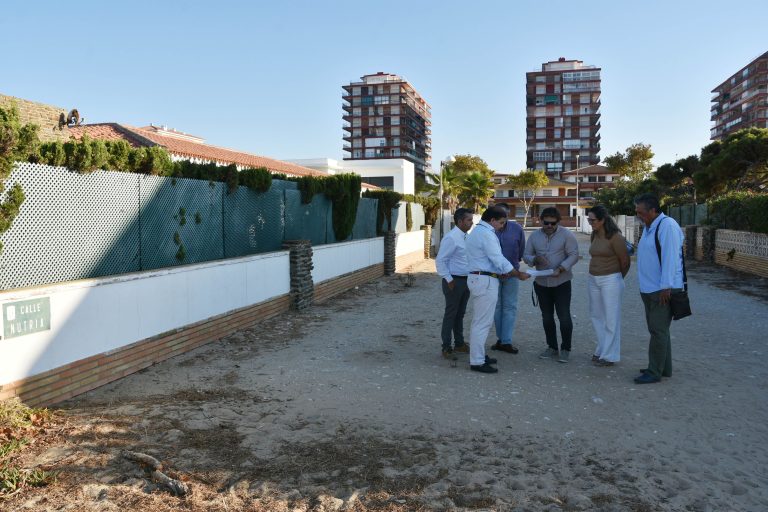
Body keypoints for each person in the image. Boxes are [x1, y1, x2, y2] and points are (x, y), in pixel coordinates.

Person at [465, 206, 530, 373]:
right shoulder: (486, 234)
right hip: (485, 279)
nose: (502, 226)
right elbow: (498, 259)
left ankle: (478, 355)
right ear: (492, 220)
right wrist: (516, 273)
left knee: (480, 322)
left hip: (481, 278)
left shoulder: (478, 232)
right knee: (482, 323)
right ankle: (477, 361)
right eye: (501, 223)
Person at [634, 193, 685, 384]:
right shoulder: (649, 226)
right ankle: (664, 367)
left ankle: (654, 371)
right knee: (659, 329)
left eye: (641, 212)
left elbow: (671, 257)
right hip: (649, 288)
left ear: (653, 210)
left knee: (658, 330)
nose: (639, 216)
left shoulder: (667, 226)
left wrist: (666, 286)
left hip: (662, 289)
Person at [523, 207, 579, 363]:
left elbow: (574, 254)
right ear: (541, 221)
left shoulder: (567, 235)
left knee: (564, 317)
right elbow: (526, 254)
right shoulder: (534, 236)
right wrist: (534, 260)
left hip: (561, 282)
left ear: (558, 222)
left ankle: (566, 349)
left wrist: (561, 268)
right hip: (541, 283)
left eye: (552, 223)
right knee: (547, 317)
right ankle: (552, 347)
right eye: (546, 223)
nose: (549, 226)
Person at [586, 205, 630, 367]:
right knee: (597, 316)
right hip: (593, 279)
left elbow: (624, 261)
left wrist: (618, 279)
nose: (590, 223)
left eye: (593, 220)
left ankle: (610, 356)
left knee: (611, 318)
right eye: (588, 220)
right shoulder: (595, 235)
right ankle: (602, 349)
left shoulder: (616, 237)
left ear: (603, 220)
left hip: (610, 279)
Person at [435, 208, 474, 360]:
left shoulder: (466, 237)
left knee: (460, 314)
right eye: (469, 220)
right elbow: (441, 260)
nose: (471, 223)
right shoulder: (451, 238)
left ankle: (459, 343)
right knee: (451, 314)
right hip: (454, 281)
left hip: (466, 280)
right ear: (459, 221)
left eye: (472, 220)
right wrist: (448, 279)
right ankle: (446, 346)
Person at [491, 203, 526, 355]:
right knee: (497, 307)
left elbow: (521, 251)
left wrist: (510, 269)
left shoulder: (517, 229)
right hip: (493, 275)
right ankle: (501, 339)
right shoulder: (489, 231)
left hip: (512, 275)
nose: (502, 218)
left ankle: (506, 341)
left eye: (504, 214)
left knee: (510, 307)